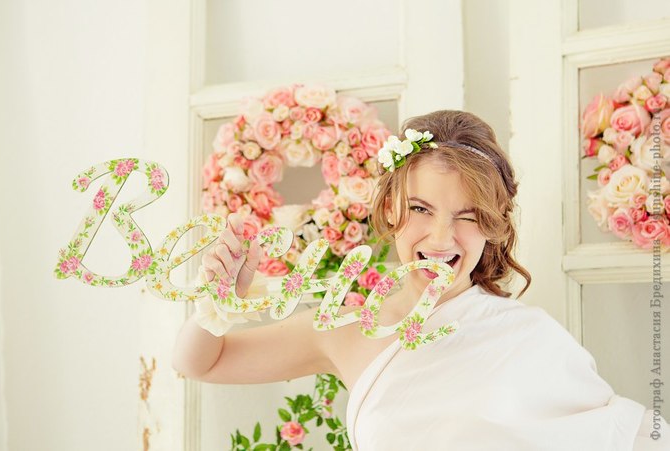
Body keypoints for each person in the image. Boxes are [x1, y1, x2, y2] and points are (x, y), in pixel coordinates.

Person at [172, 110, 669, 450]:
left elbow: (626, 436)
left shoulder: (531, 337)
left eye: (468, 216)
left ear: (492, 225)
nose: (441, 237)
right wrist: (218, 302)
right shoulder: (345, 327)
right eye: (420, 209)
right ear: (391, 208)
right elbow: (199, 363)